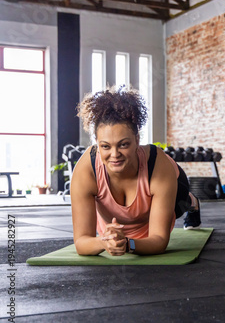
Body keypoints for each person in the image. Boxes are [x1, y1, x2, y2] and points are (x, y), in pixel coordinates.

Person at [71, 85, 201, 256]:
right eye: (105, 146)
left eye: (123, 144)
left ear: (137, 140)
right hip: (124, 213)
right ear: (97, 143)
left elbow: (159, 240)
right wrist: (104, 241)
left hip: (174, 185)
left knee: (179, 204)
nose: (115, 154)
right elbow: (81, 242)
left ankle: (192, 202)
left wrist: (127, 245)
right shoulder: (86, 170)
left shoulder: (158, 166)